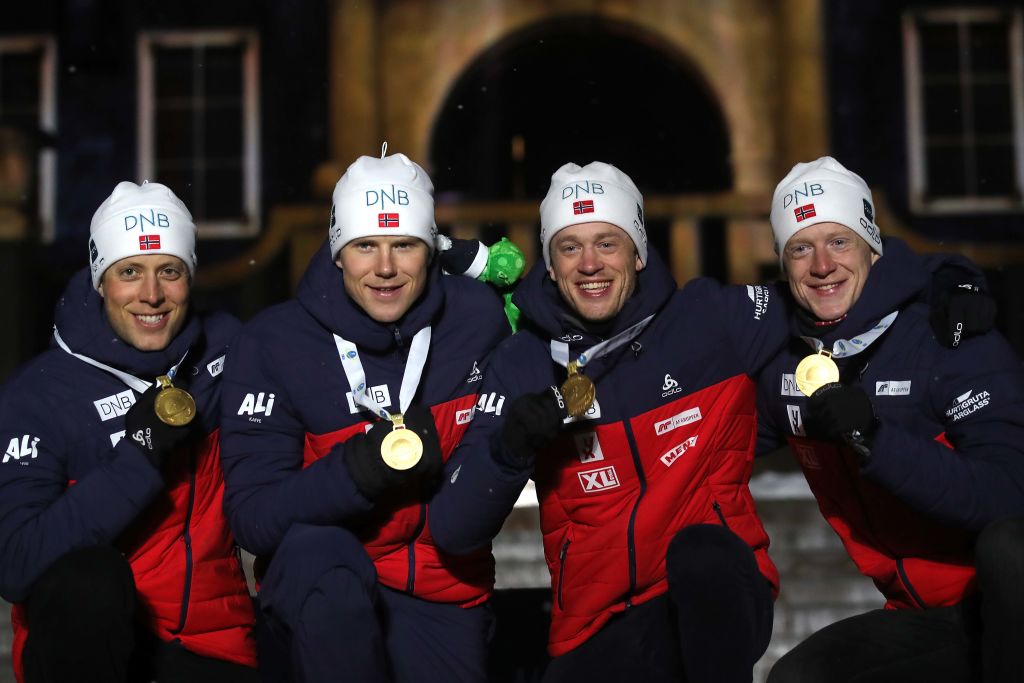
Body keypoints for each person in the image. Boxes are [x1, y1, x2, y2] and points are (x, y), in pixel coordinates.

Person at [429, 161, 795, 683]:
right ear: (550, 266)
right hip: (595, 621)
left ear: (638, 252)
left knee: (704, 553)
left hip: (713, 595)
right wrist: (508, 450)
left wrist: (946, 281)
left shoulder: (709, 320)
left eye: (608, 242)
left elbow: (828, 292)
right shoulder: (522, 363)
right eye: (569, 246)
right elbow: (453, 529)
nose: (590, 264)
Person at [218, 151, 510, 682]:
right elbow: (253, 519)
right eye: (364, 246)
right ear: (336, 254)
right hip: (322, 591)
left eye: (404, 244)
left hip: (443, 588)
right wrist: (358, 471)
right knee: (323, 557)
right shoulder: (274, 342)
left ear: (431, 250)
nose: (384, 268)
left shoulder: (477, 318)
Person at [756, 156, 1024, 683]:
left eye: (840, 241)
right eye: (801, 248)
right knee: (799, 678)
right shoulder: (780, 360)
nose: (822, 265)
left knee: (1011, 549)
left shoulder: (948, 335)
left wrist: (877, 439)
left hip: (1010, 601)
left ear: (872, 248)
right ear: (783, 265)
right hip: (929, 616)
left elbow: (1012, 495)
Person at [0, 181, 258, 682]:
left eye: (170, 271)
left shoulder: (226, 350)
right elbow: (16, 563)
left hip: (216, 644)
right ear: (101, 282)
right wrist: (138, 456)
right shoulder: (38, 396)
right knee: (88, 580)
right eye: (129, 272)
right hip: (93, 646)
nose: (152, 295)